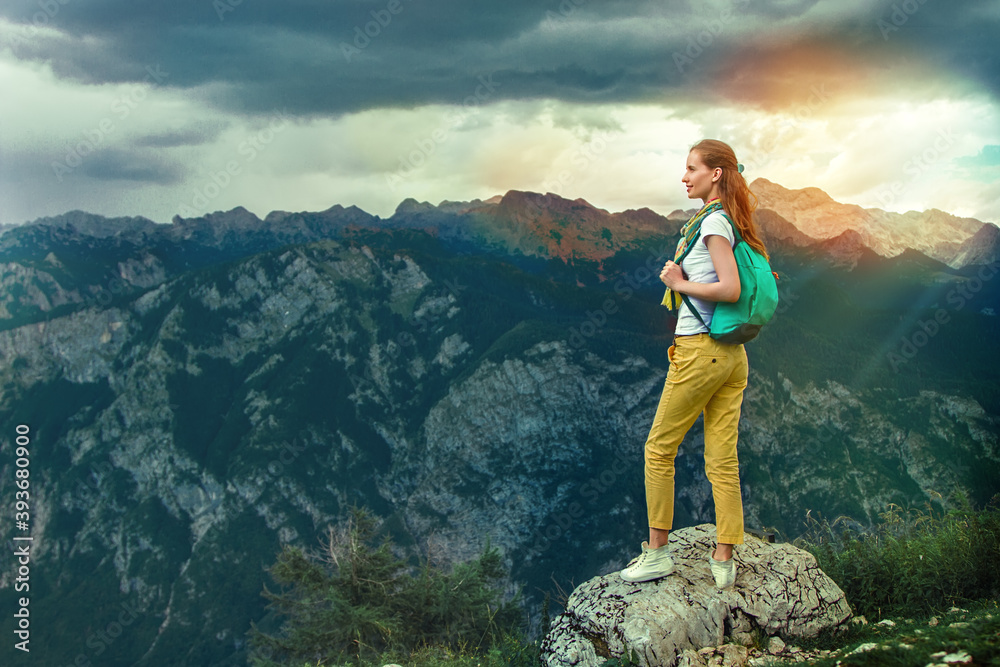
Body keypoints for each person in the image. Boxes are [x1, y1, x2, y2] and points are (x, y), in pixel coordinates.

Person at [619, 139, 769, 589]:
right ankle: (723, 560)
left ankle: (658, 553)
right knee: (722, 457)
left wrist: (679, 282)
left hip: (700, 350)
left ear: (716, 173)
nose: (684, 177)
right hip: (732, 355)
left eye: (691, 169)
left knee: (659, 448)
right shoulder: (729, 221)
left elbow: (730, 289)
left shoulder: (714, 224)